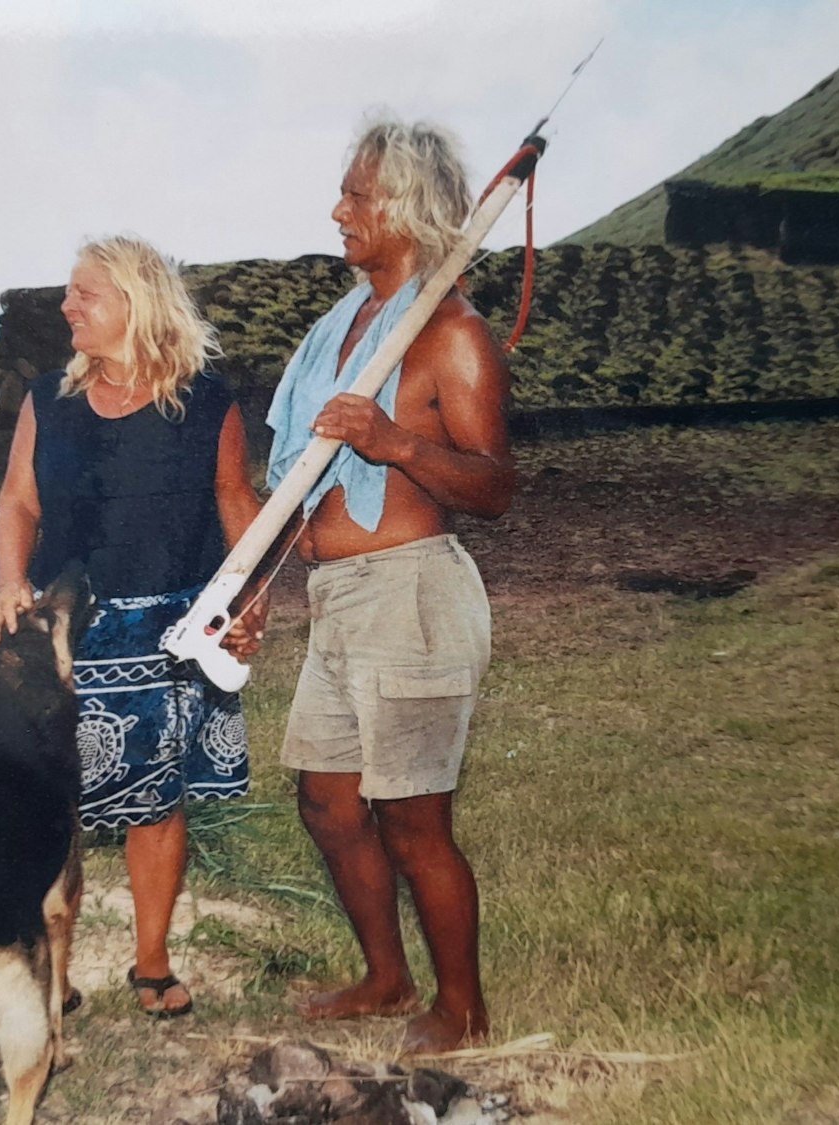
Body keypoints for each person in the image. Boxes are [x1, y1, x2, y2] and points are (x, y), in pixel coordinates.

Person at [270, 118, 515, 1053]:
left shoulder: (453, 334)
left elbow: (494, 487)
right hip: (335, 596)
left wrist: (396, 443)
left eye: (358, 195)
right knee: (327, 803)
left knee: (415, 821)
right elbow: (297, 478)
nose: (339, 211)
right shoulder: (340, 335)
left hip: (411, 596)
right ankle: (385, 977)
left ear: (407, 207)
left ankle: (463, 1007)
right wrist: (253, 585)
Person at [0, 235, 265, 1019]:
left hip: (175, 631)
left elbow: (236, 503)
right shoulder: (48, 399)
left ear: (137, 304)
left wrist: (250, 601)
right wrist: (10, 581)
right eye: (69, 292)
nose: (66, 305)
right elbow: (18, 502)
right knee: (52, 805)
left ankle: (152, 963)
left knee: (159, 803)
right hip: (69, 627)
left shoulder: (206, 401)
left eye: (86, 293)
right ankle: (54, 972)